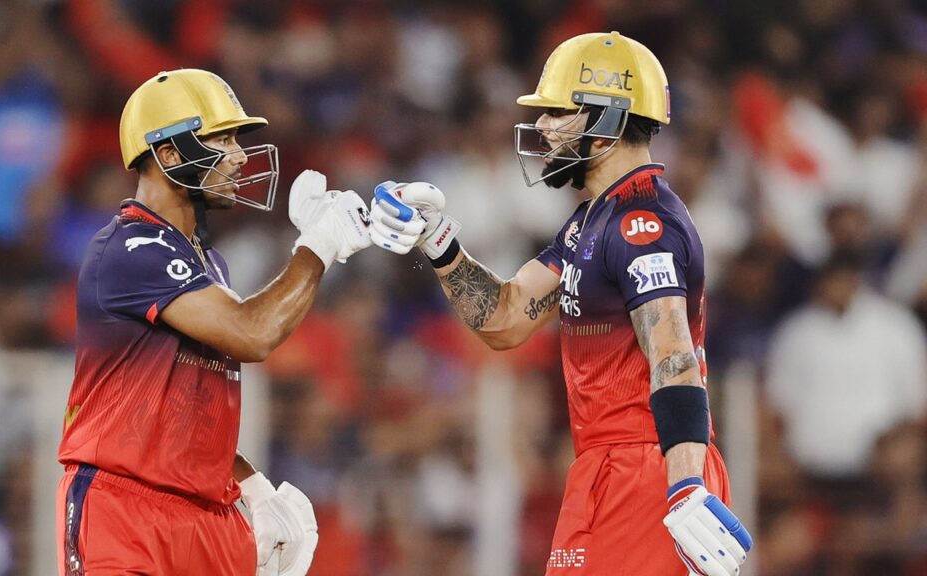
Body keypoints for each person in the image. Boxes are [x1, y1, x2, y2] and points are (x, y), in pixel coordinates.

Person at [369, 32, 752, 575]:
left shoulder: (640, 222)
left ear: (607, 121)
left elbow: (673, 355)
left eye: (558, 112)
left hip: (649, 467)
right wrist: (438, 242)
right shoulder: (590, 222)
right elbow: (504, 318)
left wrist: (686, 484)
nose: (543, 127)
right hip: (609, 465)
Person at [56, 68, 371, 575]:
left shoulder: (209, 263)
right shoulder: (130, 246)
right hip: (124, 510)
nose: (240, 155)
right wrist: (319, 245)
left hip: (202, 511)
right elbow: (253, 333)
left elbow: (190, 412)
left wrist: (252, 486)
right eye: (221, 139)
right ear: (168, 154)